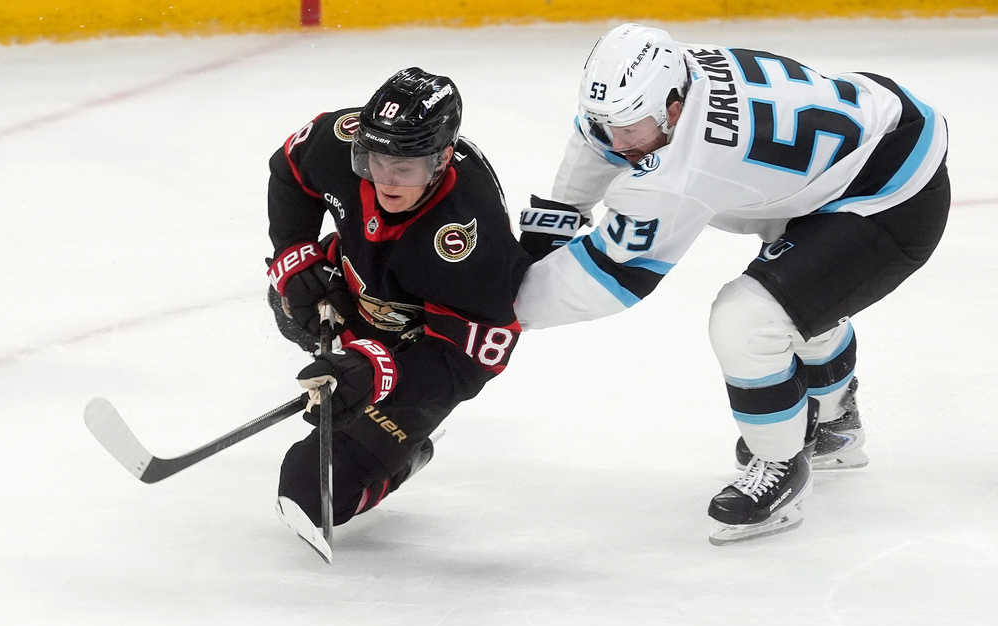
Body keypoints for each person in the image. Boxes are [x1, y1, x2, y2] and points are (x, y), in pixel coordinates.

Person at [515, 24, 949, 544]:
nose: (619, 143)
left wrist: (487, 308)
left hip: (893, 197)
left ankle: (780, 466)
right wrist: (554, 222)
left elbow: (607, 279)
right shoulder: (670, 75)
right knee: (799, 299)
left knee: (748, 320)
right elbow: (601, 141)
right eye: (608, 124)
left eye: (633, 129)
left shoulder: (682, 166)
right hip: (862, 142)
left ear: (675, 107)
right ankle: (834, 423)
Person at [265, 67, 531, 553]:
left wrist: (378, 370)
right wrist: (294, 253)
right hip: (356, 281)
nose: (384, 178)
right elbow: (289, 169)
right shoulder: (345, 141)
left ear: (442, 159)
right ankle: (350, 348)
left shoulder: (471, 238)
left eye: (404, 168)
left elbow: (476, 359)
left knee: (308, 492)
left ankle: (407, 448)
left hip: (418, 348)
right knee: (289, 303)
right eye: (374, 161)